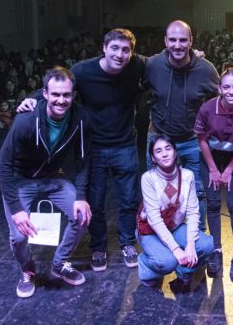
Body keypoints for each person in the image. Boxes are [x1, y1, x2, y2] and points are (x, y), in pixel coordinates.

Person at [19, 28, 146, 272]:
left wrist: (195, 54)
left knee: (129, 200)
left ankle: (128, 243)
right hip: (95, 146)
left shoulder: (137, 65)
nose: (120, 54)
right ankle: (98, 247)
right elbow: (57, 83)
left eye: (126, 50)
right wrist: (33, 98)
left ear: (132, 52)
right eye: (115, 48)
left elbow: (167, 59)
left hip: (125, 145)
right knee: (95, 203)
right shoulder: (83, 70)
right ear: (104, 48)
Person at [0, 67, 92, 298]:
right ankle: (27, 269)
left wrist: (80, 196)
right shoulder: (26, 120)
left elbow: (83, 159)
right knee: (18, 236)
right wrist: (17, 209)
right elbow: (2, 165)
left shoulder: (79, 118)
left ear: (73, 94)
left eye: (66, 95)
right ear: (45, 94)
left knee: (82, 216)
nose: (61, 100)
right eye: (56, 94)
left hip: (52, 177)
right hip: (22, 180)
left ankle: (59, 264)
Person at [144, 20, 220, 231]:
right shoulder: (153, 65)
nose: (178, 45)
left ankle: (199, 237)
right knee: (155, 190)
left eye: (183, 40)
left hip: (192, 141)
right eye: (174, 40)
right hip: (158, 138)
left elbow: (226, 97)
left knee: (198, 191)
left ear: (191, 41)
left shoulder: (205, 69)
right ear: (166, 41)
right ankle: (157, 235)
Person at [194, 68, 233, 279]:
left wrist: (230, 168)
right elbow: (202, 139)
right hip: (210, 159)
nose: (231, 91)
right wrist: (213, 169)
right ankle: (216, 250)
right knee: (213, 203)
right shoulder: (206, 109)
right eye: (227, 87)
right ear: (220, 88)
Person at [137, 135, 214, 289]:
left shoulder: (187, 175)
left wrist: (191, 244)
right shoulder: (148, 178)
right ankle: (145, 265)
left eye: (168, 148)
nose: (164, 154)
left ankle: (184, 271)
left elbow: (193, 212)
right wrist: (176, 249)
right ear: (153, 158)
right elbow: (154, 220)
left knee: (206, 245)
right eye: (158, 151)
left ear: (175, 152)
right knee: (167, 261)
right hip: (150, 231)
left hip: (174, 227)